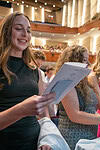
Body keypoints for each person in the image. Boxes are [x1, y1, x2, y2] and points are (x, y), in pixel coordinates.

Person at [0, 12, 55, 150]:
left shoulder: (34, 70)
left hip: (33, 144)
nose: (25, 34)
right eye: (19, 29)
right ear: (6, 32)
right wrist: (21, 110)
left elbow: (43, 112)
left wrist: (46, 139)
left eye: (29, 30)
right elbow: (23, 109)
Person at [55, 45, 100, 150]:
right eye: (84, 60)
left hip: (89, 134)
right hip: (73, 136)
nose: (88, 64)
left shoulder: (83, 81)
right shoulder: (66, 82)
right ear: (75, 61)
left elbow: (91, 109)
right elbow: (75, 115)